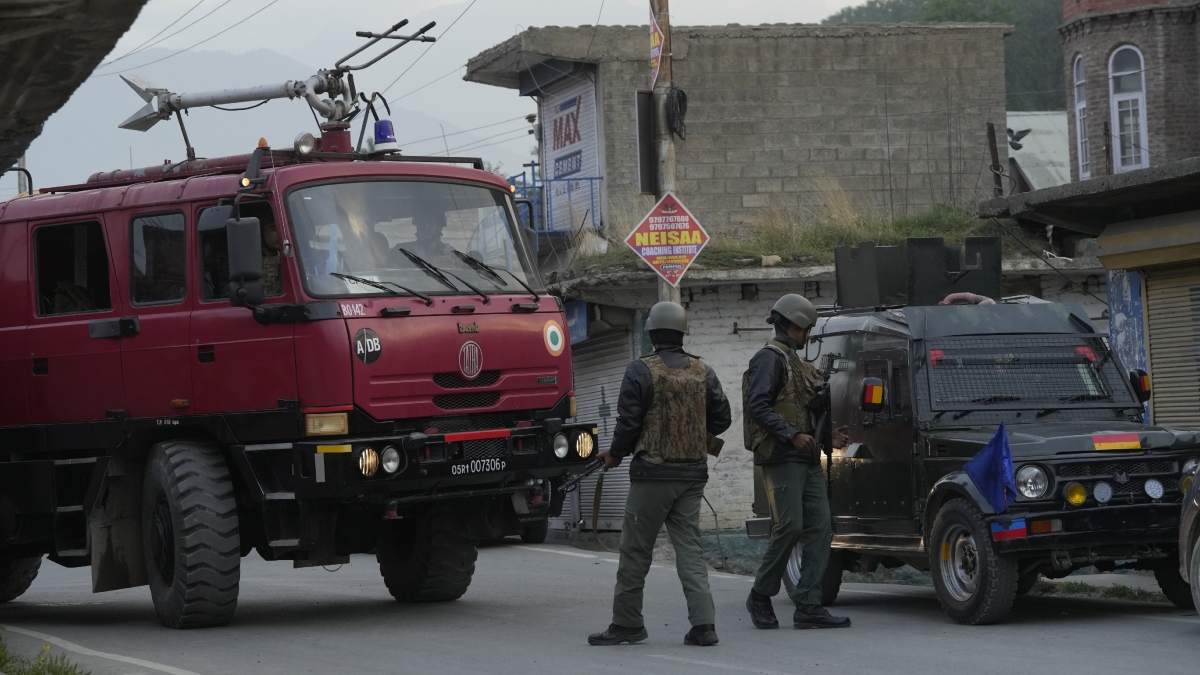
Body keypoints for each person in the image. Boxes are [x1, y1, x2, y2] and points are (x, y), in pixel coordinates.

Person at [588, 302, 732, 648]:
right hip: (693, 475)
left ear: (651, 333)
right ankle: (704, 626)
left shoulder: (640, 370)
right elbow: (723, 419)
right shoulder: (703, 371)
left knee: (635, 550)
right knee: (690, 551)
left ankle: (627, 624)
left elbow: (628, 422)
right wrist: (691, 431)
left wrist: (615, 454)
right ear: (682, 333)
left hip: (652, 475)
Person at [744, 294, 850, 630]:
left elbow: (804, 413)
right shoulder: (769, 359)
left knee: (820, 527)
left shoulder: (797, 364)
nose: (808, 336)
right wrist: (791, 435)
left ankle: (808, 604)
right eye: (806, 329)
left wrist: (826, 438)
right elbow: (757, 406)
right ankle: (760, 595)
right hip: (781, 455)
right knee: (789, 526)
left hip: (806, 457)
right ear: (794, 325)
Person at [260, 215, 283, 296]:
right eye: (274, 229)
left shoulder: (288, 254)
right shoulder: (250, 259)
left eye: (282, 228)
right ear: (261, 232)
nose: (280, 234)